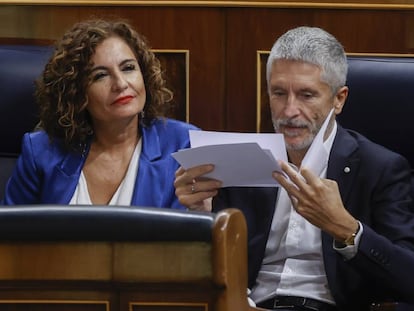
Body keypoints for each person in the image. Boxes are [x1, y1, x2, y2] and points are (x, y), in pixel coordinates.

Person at [174, 26, 414, 310]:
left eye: (306, 95)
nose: (288, 111)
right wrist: (202, 217)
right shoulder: (237, 160)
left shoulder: (381, 168)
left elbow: (407, 278)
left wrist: (345, 228)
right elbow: (207, 272)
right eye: (278, 93)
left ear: (339, 99)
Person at [1, 19, 198, 208]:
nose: (121, 84)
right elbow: (9, 234)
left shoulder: (183, 145)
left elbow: (200, 233)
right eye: (100, 75)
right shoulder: (41, 153)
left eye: (128, 68)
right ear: (76, 93)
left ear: (144, 75)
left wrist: (201, 211)